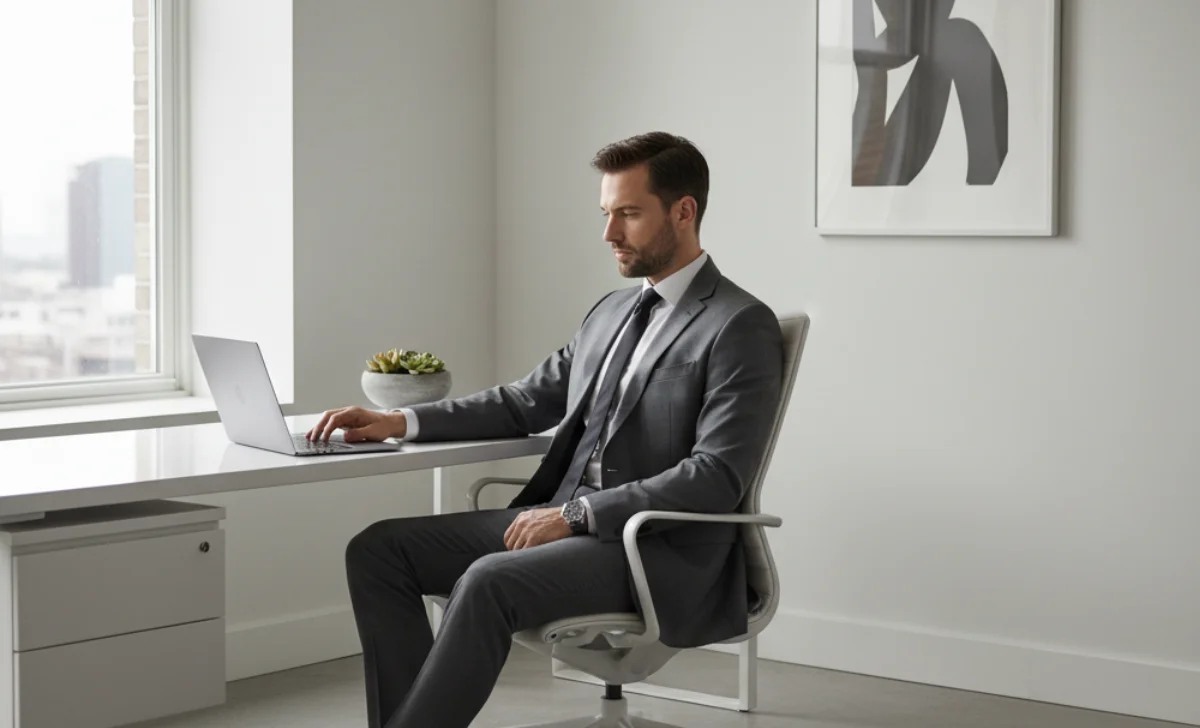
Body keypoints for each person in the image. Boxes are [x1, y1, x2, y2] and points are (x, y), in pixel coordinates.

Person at [307, 131, 784, 728]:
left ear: (683, 212)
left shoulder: (738, 323)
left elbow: (715, 476)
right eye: (607, 214)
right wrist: (400, 420)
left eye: (629, 214)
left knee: (486, 580)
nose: (609, 234)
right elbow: (525, 401)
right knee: (379, 551)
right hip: (559, 519)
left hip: (649, 545)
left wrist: (579, 516)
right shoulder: (610, 311)